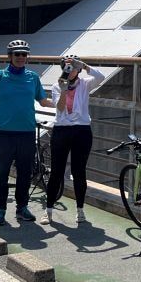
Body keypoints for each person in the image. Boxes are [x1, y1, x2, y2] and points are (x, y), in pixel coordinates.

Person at [0, 39, 54, 226]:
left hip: (27, 132)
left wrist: (65, 102)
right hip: (4, 133)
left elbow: (43, 101)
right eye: (17, 54)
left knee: (25, 173)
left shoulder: (33, 77)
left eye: (24, 54)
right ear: (10, 56)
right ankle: (0, 210)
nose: (21, 57)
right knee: (1, 173)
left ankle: (22, 208)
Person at [40, 55, 104, 225]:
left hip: (82, 131)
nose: (71, 70)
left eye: (74, 67)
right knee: (56, 172)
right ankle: (48, 211)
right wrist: (63, 90)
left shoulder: (85, 84)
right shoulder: (56, 85)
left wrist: (84, 64)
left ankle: (80, 210)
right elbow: (60, 108)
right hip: (62, 130)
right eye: (67, 66)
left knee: (79, 172)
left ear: (79, 70)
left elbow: (101, 77)